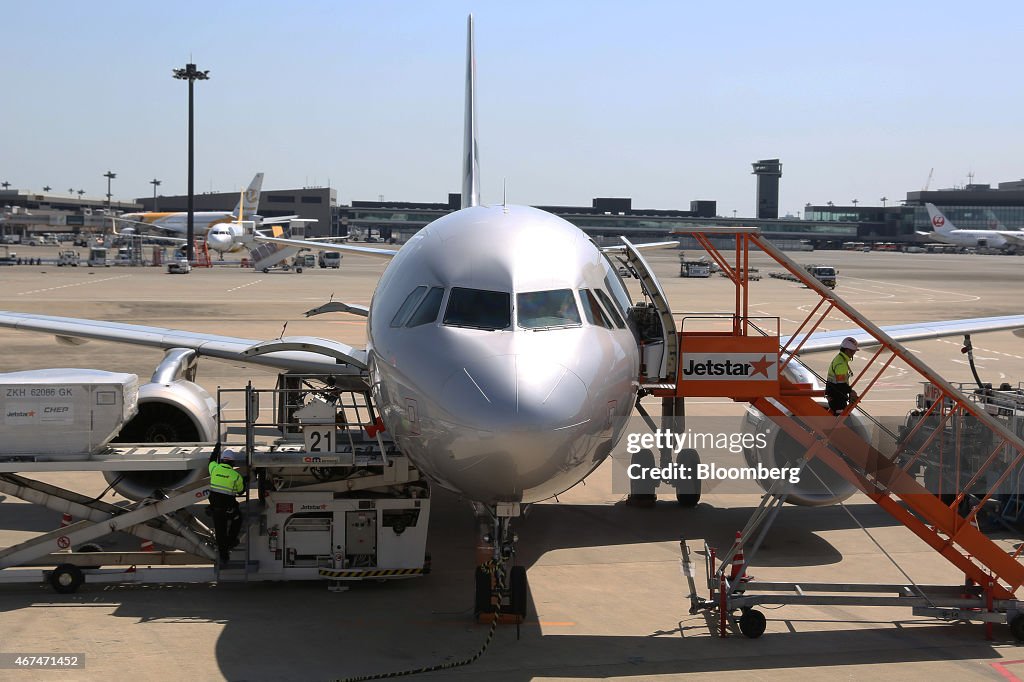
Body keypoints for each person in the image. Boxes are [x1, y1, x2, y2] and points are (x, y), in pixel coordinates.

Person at [208, 444, 245, 563]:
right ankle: (231, 541)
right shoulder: (236, 476)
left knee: (220, 531)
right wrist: (245, 480)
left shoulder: (214, 469)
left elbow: (211, 460)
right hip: (228, 510)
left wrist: (216, 449)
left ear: (222, 460)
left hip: (216, 509)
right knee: (238, 519)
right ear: (233, 463)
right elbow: (240, 491)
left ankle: (224, 555)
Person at [825, 337, 859, 415]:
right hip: (837, 397)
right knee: (840, 418)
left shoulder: (840, 359)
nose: (854, 353)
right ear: (847, 350)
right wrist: (851, 391)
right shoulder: (841, 364)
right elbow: (840, 384)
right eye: (853, 351)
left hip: (835, 394)